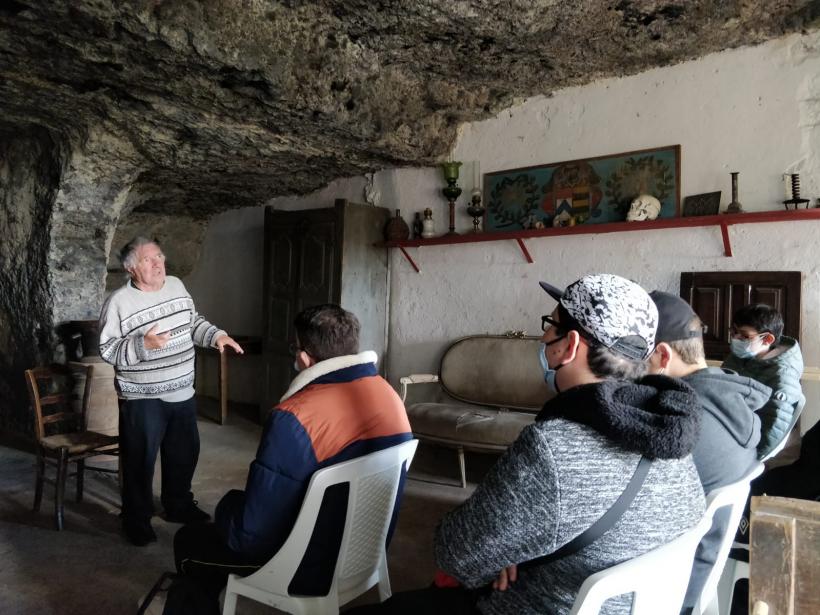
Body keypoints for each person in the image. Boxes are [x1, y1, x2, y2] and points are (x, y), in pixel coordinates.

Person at [351, 273, 706, 615]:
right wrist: (519, 545)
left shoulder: (554, 448)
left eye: (549, 326)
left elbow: (456, 553)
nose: (542, 339)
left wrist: (511, 549)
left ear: (570, 346)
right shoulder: (675, 434)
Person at [145, 304, 412, 615]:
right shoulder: (386, 393)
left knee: (191, 539)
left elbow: (250, 531)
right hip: (367, 550)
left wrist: (226, 507)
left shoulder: (295, 416)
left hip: (309, 566)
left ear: (304, 357)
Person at [99, 236, 244, 546]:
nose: (158, 264)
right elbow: (108, 350)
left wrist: (216, 336)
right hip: (142, 396)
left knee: (183, 454)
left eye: (160, 257)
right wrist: (143, 344)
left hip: (181, 389)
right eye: (149, 260)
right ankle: (136, 519)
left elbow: (192, 322)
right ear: (131, 269)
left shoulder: (176, 286)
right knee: (139, 461)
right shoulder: (119, 302)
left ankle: (178, 505)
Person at [647, 291, 766, 613]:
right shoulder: (726, 398)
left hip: (663, 593)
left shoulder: (681, 423)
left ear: (661, 356)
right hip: (699, 571)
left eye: (631, 354)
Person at [721, 303, 804, 459]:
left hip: (750, 448)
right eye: (734, 331)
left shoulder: (782, 377)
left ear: (767, 339)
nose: (735, 338)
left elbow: (773, 428)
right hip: (729, 430)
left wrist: (752, 460)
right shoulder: (741, 356)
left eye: (744, 336)